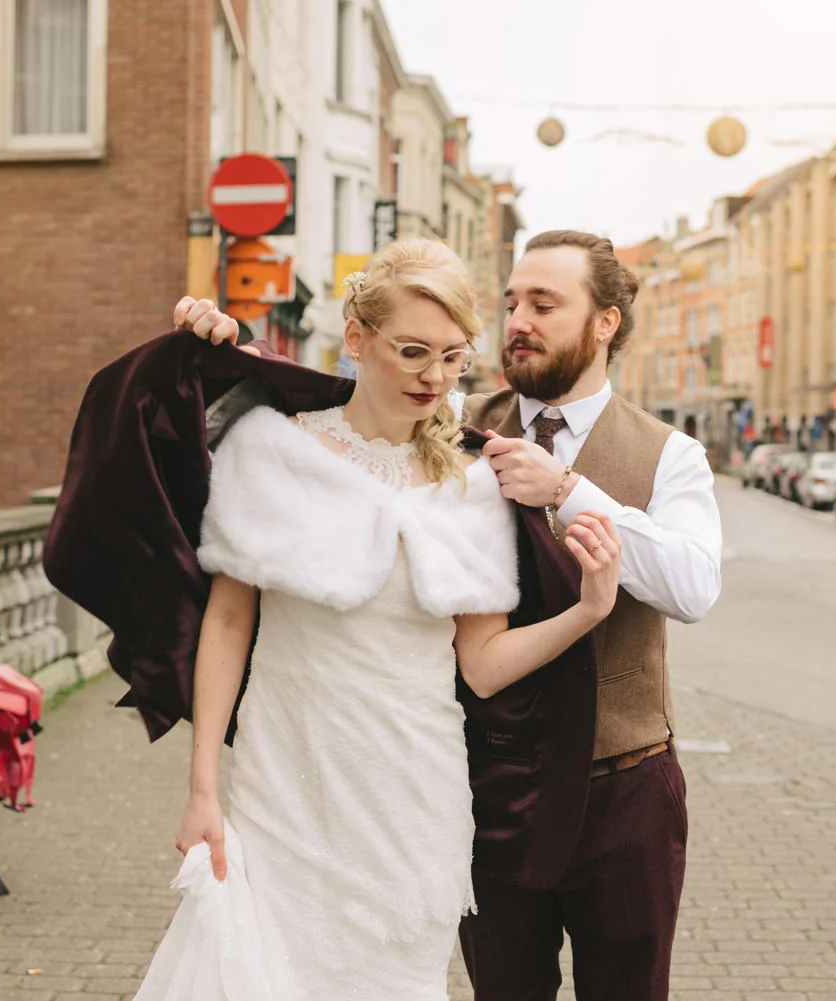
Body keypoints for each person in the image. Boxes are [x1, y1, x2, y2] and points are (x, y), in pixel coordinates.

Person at [56, 239, 627, 1000]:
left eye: (454, 356)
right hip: (284, 784)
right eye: (414, 351)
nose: (435, 377)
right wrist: (201, 788)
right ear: (357, 339)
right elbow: (226, 625)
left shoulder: (476, 486)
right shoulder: (270, 451)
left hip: (415, 800)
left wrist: (590, 609)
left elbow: (482, 662)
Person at [180, 229, 723, 1001]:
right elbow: (339, 406)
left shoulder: (669, 454)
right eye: (510, 303)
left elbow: (695, 586)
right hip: (485, 773)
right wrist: (220, 353)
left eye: (544, 303)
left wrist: (569, 491)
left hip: (620, 784)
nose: (519, 320)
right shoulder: (459, 422)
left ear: (605, 322)